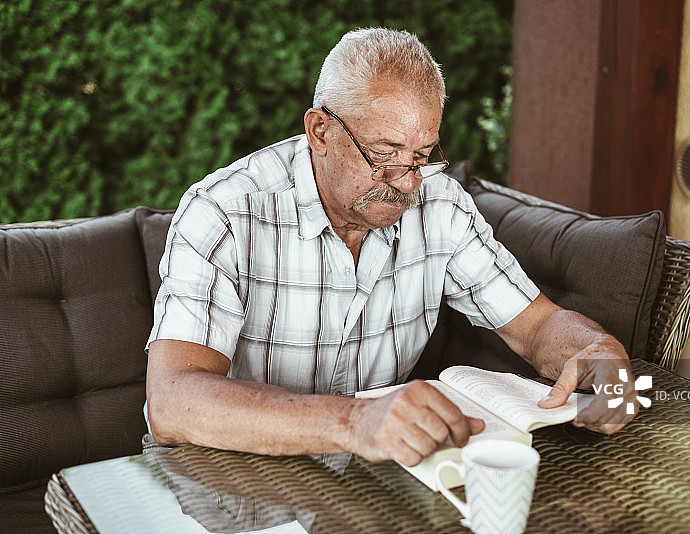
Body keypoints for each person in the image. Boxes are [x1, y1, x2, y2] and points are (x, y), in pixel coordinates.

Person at [145, 27, 638, 467]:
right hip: (232, 483)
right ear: (320, 131)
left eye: (421, 156)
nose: (406, 183)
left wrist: (599, 351)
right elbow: (172, 402)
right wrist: (357, 422)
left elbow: (538, 326)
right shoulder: (226, 212)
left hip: (371, 482)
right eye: (382, 156)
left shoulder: (440, 202)